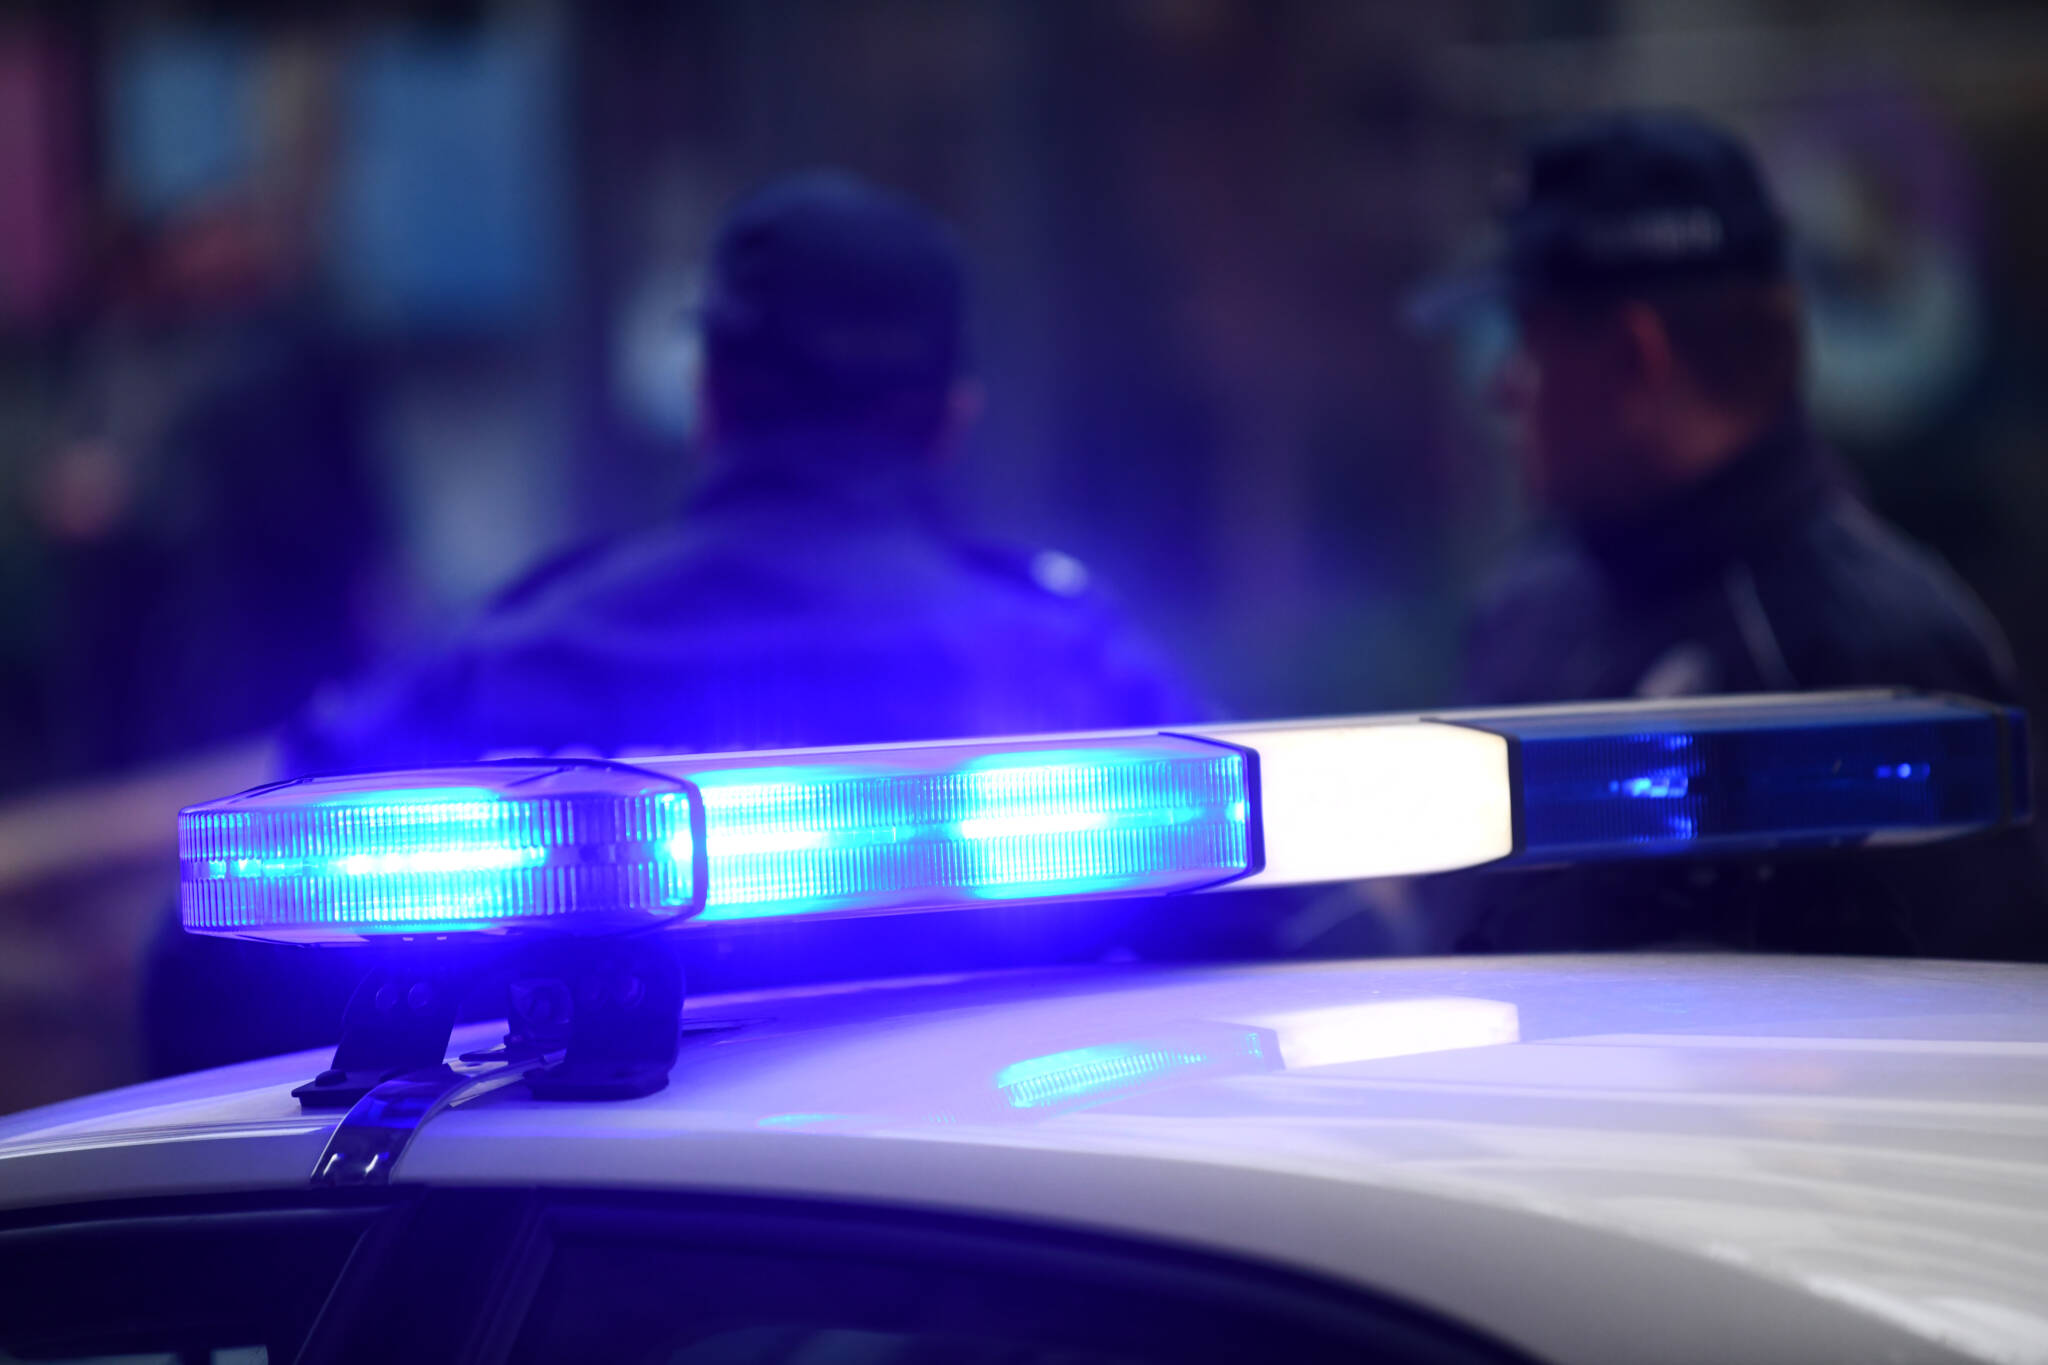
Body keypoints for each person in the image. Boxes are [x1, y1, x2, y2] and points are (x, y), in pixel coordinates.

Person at [143, 172, 1210, 1073]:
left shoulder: (518, 653)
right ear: (949, 421)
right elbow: (1256, 967)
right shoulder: (1082, 675)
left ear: (708, 397)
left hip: (591, 1300)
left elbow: (208, 971)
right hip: (1004, 1291)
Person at [1414, 109, 2047, 960]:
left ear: (1638, 360)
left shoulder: (1873, 661)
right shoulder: (1527, 607)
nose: (1503, 387)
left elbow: (1972, 1051)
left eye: (1529, 339)